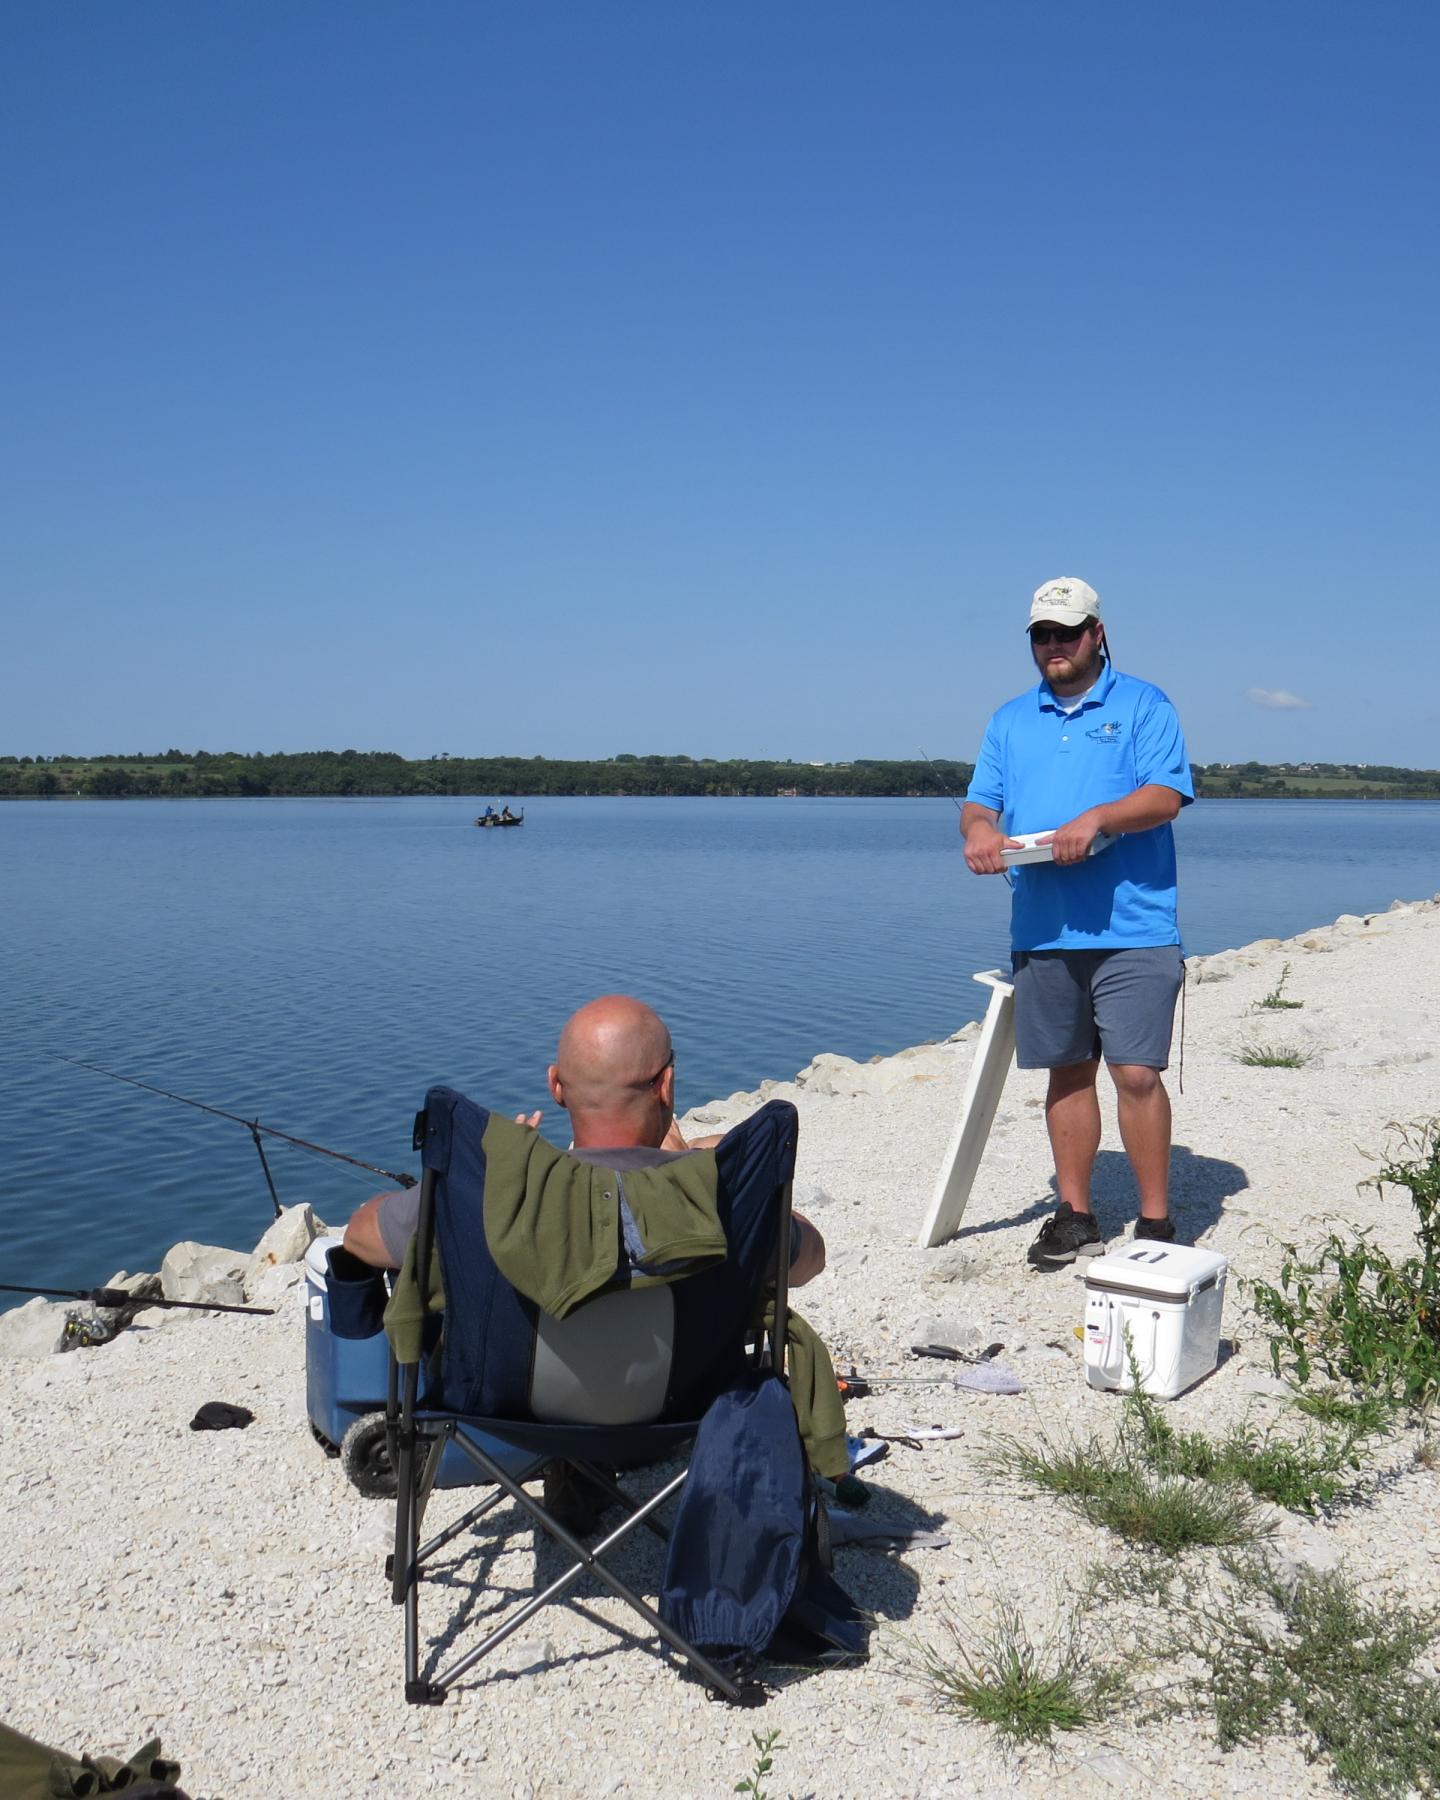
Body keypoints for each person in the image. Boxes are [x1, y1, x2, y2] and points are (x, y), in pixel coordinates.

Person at [961, 577, 1194, 1270]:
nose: (1054, 646)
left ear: (1097, 632)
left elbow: (1165, 795)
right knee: (1066, 1073)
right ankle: (1075, 1214)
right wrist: (979, 833)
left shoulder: (1144, 703)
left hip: (1135, 926)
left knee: (1136, 1074)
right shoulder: (1009, 718)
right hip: (1043, 928)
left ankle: (1155, 1222)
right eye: (1042, 634)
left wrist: (1096, 819)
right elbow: (981, 803)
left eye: (1067, 631)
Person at [343, 994, 826, 1285]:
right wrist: (685, 1173)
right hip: (680, 1408)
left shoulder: (496, 1194)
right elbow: (810, 1258)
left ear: (555, 1086)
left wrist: (502, 1170)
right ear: (666, 1085)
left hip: (518, 1418)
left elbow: (358, 1236)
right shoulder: (714, 1200)